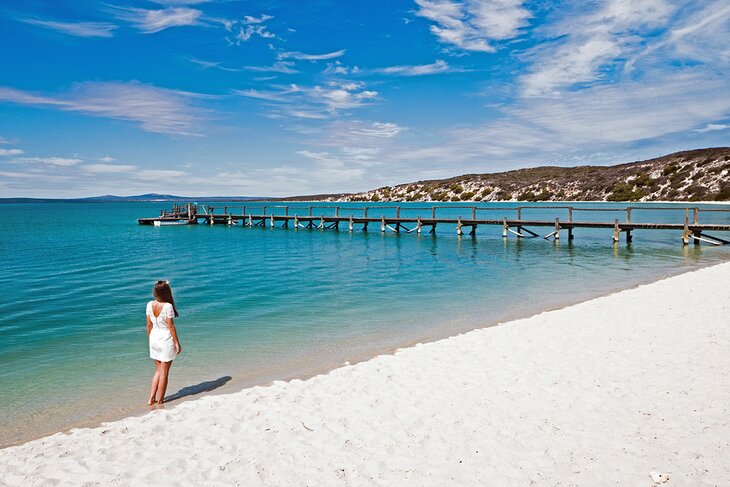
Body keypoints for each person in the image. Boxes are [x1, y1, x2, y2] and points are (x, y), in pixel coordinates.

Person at [146, 280, 182, 405]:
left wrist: (150, 340)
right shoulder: (167, 306)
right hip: (165, 340)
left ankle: (151, 399)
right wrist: (177, 343)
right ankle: (160, 401)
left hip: (154, 339)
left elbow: (149, 325)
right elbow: (171, 327)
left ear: (155, 292)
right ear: (167, 293)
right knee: (164, 373)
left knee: (158, 371)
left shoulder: (149, 304)